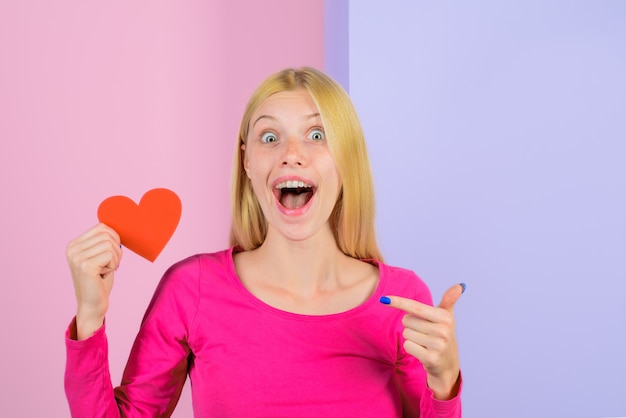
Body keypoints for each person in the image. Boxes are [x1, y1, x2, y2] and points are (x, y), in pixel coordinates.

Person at [65, 67, 464, 417]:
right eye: (270, 137)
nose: (291, 154)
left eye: (316, 134)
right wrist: (90, 317)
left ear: (347, 159)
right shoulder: (192, 289)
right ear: (247, 162)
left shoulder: (401, 299)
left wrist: (445, 383)